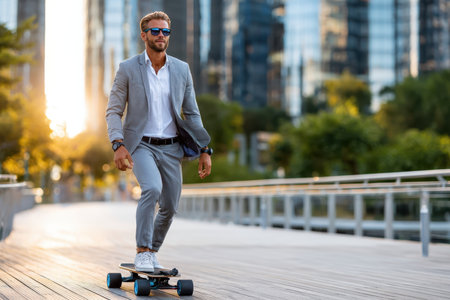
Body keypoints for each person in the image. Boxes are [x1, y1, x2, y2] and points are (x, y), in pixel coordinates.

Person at [106, 11, 212, 272]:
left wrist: (205, 149)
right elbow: (113, 111)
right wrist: (118, 144)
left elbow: (193, 113)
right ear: (144, 35)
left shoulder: (181, 69)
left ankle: (151, 250)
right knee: (151, 189)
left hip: (172, 147)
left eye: (165, 32)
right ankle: (142, 250)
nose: (161, 36)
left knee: (170, 206)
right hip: (141, 144)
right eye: (155, 31)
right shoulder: (128, 68)